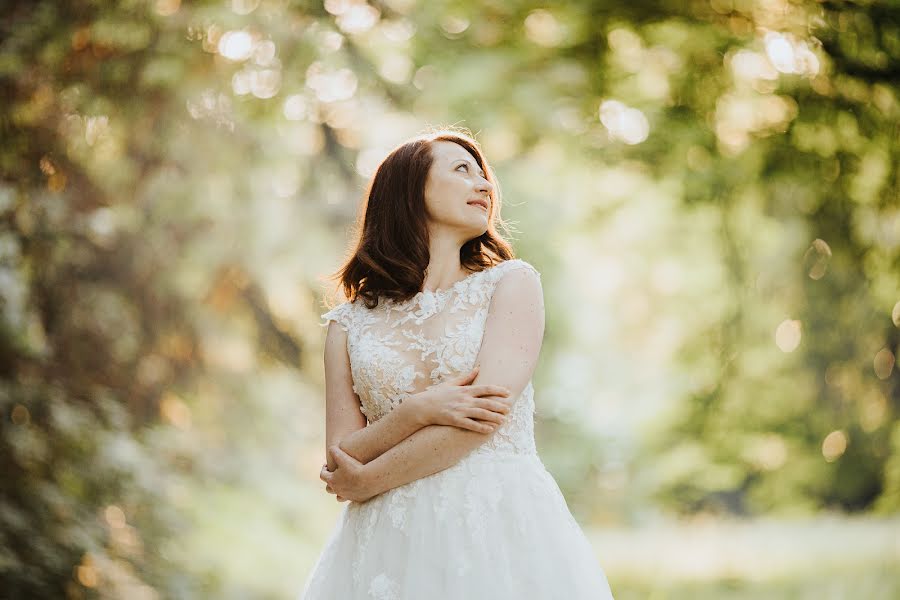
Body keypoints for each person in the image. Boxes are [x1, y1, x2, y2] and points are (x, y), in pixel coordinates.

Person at [300, 129, 615, 599]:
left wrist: (369, 479)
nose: (485, 185)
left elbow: (480, 420)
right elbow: (339, 455)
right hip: (386, 540)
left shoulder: (511, 285)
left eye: (483, 174)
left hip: (495, 525)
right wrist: (416, 411)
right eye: (461, 170)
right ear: (410, 191)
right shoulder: (349, 324)